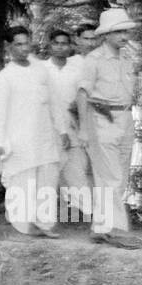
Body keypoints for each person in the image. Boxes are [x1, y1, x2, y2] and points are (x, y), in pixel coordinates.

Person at [0, 25, 69, 238]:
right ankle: (23, 226)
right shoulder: (6, 76)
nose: (25, 48)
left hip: (44, 135)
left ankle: (44, 225)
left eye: (27, 43)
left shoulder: (40, 70)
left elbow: (54, 102)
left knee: (47, 180)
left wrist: (62, 130)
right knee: (22, 182)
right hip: (19, 139)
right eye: (19, 44)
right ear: (9, 47)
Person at [76, 8, 142, 247]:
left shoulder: (126, 59)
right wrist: (84, 128)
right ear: (106, 34)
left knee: (119, 177)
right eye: (118, 32)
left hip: (125, 118)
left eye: (125, 31)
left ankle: (101, 226)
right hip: (102, 121)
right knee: (110, 176)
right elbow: (82, 94)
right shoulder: (93, 60)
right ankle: (117, 229)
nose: (124, 36)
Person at [44, 28, 91, 226]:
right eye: (57, 43)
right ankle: (58, 217)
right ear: (49, 45)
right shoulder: (42, 68)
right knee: (50, 175)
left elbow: (84, 97)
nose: (61, 47)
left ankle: (91, 214)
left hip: (72, 126)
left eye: (65, 43)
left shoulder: (77, 69)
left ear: (70, 46)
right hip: (47, 129)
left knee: (76, 172)